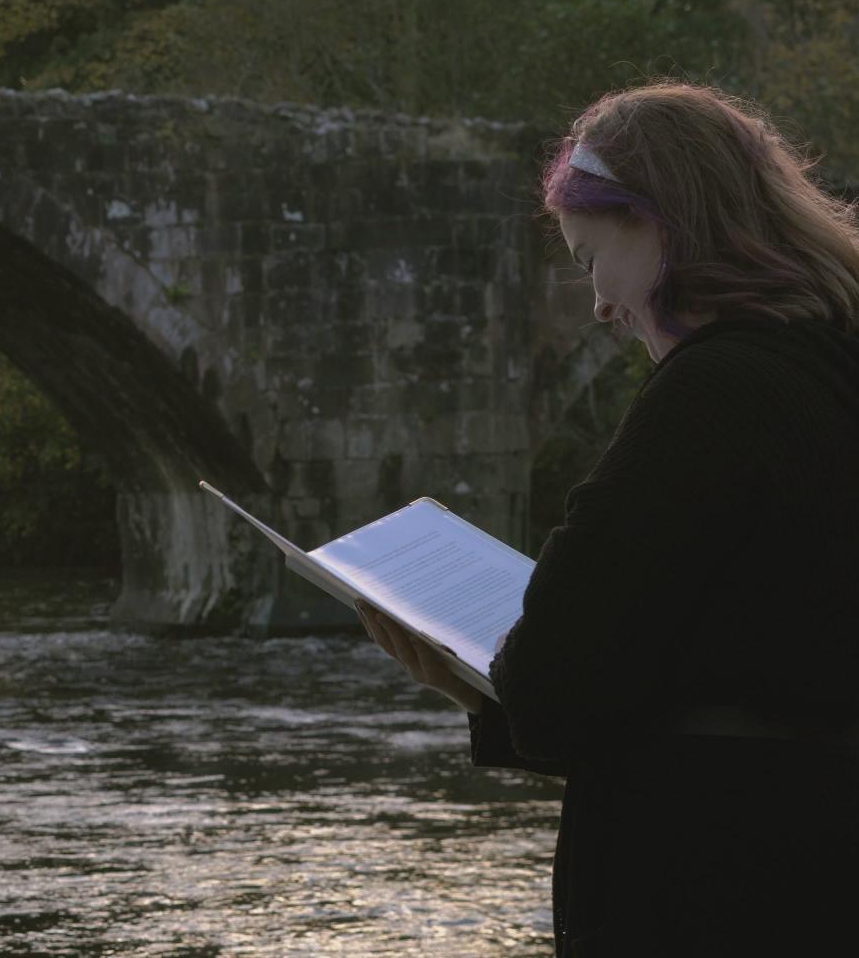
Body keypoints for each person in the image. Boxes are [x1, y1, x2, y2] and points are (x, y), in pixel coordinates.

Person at [359, 82, 859, 954]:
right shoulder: (832, 364)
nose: (597, 302)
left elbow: (560, 687)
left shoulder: (714, 391)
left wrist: (488, 681)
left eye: (591, 257)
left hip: (719, 888)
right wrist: (488, 696)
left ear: (660, 221)